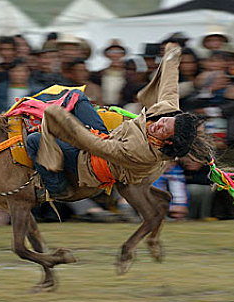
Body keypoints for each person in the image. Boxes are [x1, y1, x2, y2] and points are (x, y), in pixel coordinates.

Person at [27, 43, 211, 199]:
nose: (159, 124)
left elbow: (94, 145)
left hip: (92, 161)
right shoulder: (168, 115)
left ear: (168, 141)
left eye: (164, 130)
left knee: (34, 140)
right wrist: (172, 54)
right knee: (76, 95)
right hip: (109, 136)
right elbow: (169, 87)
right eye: (165, 121)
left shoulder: (141, 152)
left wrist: (61, 120)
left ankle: (57, 187)